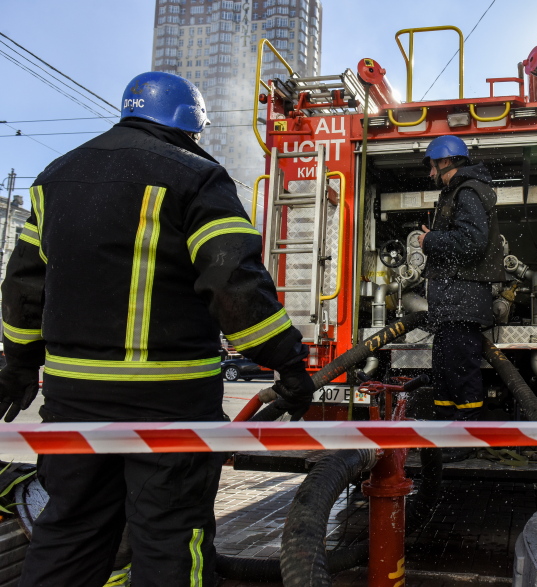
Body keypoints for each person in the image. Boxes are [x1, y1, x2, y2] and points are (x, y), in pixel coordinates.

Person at [0, 71, 315, 586]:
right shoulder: (196, 176)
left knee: (69, 533)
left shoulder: (54, 178)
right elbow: (232, 281)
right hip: (170, 401)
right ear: (190, 125)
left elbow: (23, 287)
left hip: (73, 400)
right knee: (172, 537)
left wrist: (18, 365)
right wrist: (287, 361)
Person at [418, 135, 505, 461]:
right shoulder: (459, 192)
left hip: (462, 300)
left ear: (445, 161)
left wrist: (430, 242)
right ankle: (446, 436)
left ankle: (465, 439)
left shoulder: (468, 191)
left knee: (460, 373)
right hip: (452, 303)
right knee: (445, 372)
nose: (431, 173)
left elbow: (472, 242)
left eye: (433, 166)